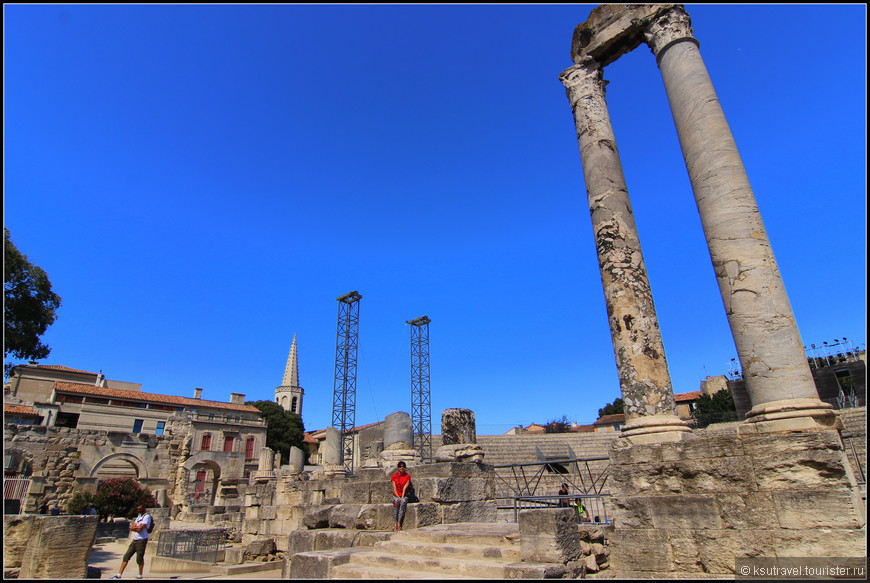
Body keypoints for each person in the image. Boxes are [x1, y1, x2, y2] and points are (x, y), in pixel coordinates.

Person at [111, 505, 152, 579]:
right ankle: (119, 574)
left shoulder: (147, 517)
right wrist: (136, 527)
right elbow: (133, 527)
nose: (138, 510)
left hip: (142, 540)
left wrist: (135, 528)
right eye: (137, 509)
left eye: (140, 509)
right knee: (126, 556)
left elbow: (139, 529)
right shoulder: (139, 517)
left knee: (139, 558)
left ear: (143, 509)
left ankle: (140, 575)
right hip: (135, 539)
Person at [390, 461, 411, 532]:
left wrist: (402, 497)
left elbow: (405, 487)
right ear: (398, 468)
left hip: (404, 495)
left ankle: (399, 523)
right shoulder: (394, 476)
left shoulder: (407, 476)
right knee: (396, 503)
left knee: (403, 503)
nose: (401, 468)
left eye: (403, 466)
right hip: (396, 495)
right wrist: (399, 497)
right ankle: (395, 523)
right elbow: (394, 489)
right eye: (400, 466)